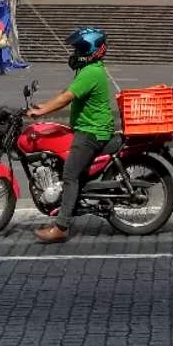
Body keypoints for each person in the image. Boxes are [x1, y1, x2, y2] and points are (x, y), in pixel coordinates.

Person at [29, 26, 116, 244]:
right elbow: (65, 93)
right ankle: (63, 210)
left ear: (94, 49)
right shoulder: (89, 71)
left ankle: (61, 227)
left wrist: (41, 111)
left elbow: (66, 98)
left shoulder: (91, 72)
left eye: (81, 48)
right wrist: (42, 105)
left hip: (91, 132)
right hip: (88, 128)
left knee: (69, 175)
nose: (76, 53)